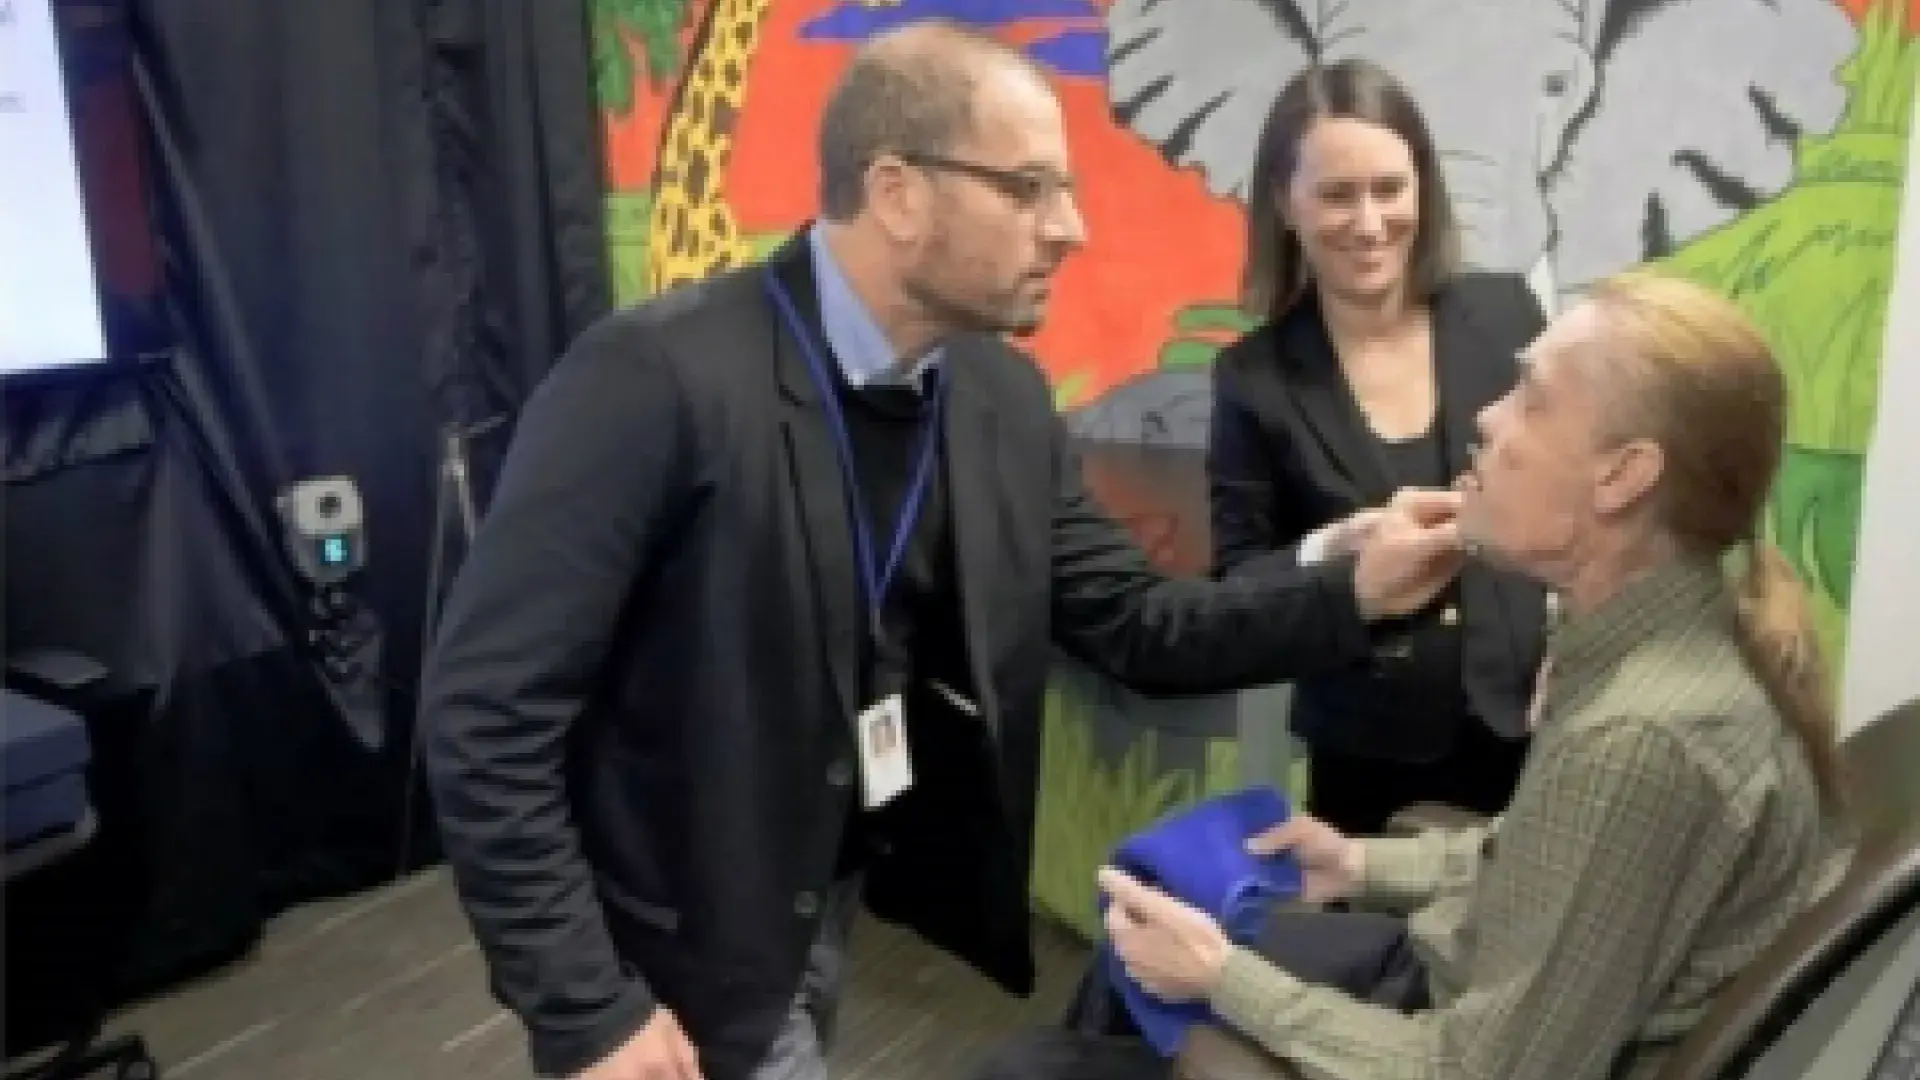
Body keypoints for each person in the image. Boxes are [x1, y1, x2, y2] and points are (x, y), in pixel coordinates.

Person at [420, 20, 1466, 1080]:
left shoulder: (998, 399)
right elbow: (486, 715)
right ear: (899, 193)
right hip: (670, 951)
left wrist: (1347, 590)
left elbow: (1139, 622)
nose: (1070, 228)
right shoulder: (654, 380)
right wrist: (587, 1009)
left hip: (826, 906)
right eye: (1028, 190)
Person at [979, 271, 1845, 1080]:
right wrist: (1356, 864)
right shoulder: (1659, 647)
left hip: (1456, 1033)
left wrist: (1222, 979)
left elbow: (1485, 1069)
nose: (1488, 420)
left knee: (1021, 1065)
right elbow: (1544, 876)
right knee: (1118, 968)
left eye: (1530, 399)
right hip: (1463, 971)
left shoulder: (1638, 743)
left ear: (1622, 477)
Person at [1205, 59, 1548, 835]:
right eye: (1336, 194)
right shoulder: (1253, 379)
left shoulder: (1507, 315)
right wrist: (1335, 546)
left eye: (1389, 189)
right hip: (1366, 760)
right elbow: (1237, 583)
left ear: (1422, 190)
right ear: (1284, 205)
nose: (1369, 223)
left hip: (1532, 726)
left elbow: (1583, 494)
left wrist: (1583, 643)